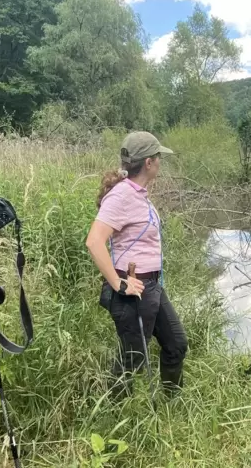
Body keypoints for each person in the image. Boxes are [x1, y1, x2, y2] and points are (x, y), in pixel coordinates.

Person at [85, 131, 188, 398]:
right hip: (133, 290)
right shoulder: (122, 196)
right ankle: (114, 413)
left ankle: (169, 405)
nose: (160, 163)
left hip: (151, 287)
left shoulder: (139, 194)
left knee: (176, 344)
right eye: (158, 158)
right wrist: (119, 283)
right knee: (134, 358)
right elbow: (94, 241)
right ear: (149, 163)